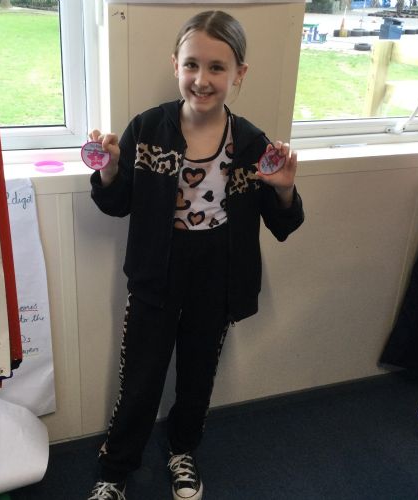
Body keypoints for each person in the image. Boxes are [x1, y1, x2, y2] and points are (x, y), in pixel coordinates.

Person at [87, 10, 304, 500]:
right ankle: (115, 470)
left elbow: (284, 224)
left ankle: (182, 449)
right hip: (156, 272)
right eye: (191, 65)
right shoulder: (147, 128)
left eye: (217, 67)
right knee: (141, 379)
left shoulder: (251, 143)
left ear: (239, 73)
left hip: (218, 274)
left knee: (198, 373)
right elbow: (117, 204)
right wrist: (110, 170)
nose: (202, 80)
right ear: (175, 65)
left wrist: (285, 190)